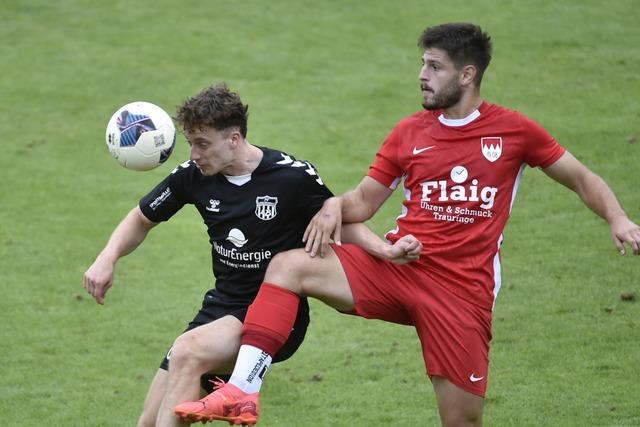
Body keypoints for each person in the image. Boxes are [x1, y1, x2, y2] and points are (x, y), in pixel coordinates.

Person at [174, 23, 640, 427]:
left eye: (434, 66)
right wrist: (335, 205)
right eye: (423, 64)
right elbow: (364, 201)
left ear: (467, 74)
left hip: (461, 294)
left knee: (462, 421)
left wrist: (617, 217)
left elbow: (580, 177)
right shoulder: (410, 132)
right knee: (289, 265)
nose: (422, 75)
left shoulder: (514, 132)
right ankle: (242, 391)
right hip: (399, 269)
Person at [83, 83, 412, 427]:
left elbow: (337, 223)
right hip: (219, 308)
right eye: (191, 143)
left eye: (202, 144)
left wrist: (385, 250)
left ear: (234, 139)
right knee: (148, 421)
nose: (193, 154)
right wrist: (108, 257)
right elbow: (141, 218)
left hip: (272, 315)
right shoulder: (193, 177)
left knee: (186, 351)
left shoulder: (291, 177)